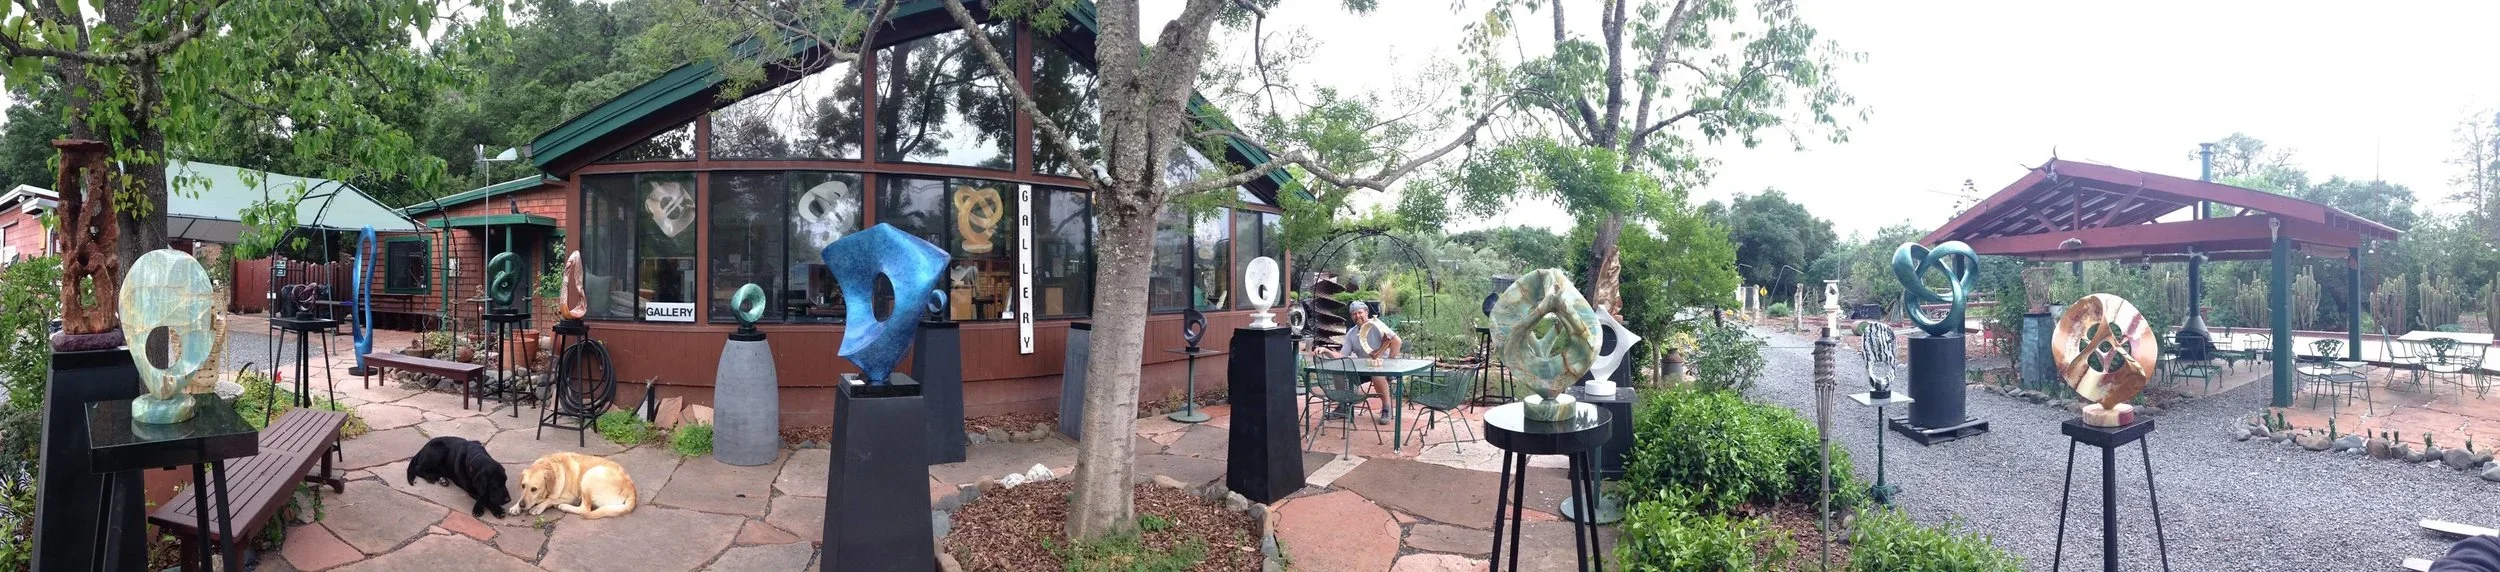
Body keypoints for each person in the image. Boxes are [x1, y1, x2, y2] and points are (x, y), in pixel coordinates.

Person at [1321, 301, 1400, 424]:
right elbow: (1342, 356)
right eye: (1354, 314)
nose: (1357, 316)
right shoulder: (1351, 334)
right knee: (1339, 372)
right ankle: (1344, 407)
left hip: (1382, 367)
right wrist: (1326, 351)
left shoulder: (1377, 325)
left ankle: (1386, 408)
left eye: (1360, 312)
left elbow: (1397, 341)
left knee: (1377, 376)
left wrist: (1390, 362)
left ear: (1366, 313)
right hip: (1362, 369)